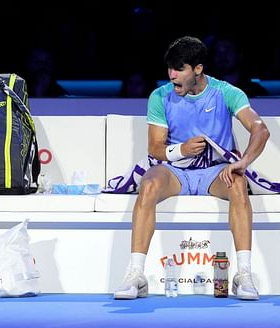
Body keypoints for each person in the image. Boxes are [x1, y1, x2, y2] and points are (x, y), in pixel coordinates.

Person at [113, 36, 270, 301]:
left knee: (239, 184)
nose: (172, 75)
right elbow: (155, 147)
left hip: (215, 172)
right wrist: (181, 150)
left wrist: (241, 163)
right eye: (169, 69)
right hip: (175, 171)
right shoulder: (160, 97)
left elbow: (260, 130)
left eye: (179, 69)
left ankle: (244, 274)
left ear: (198, 69)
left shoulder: (227, 93)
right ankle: (135, 276)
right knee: (148, 184)